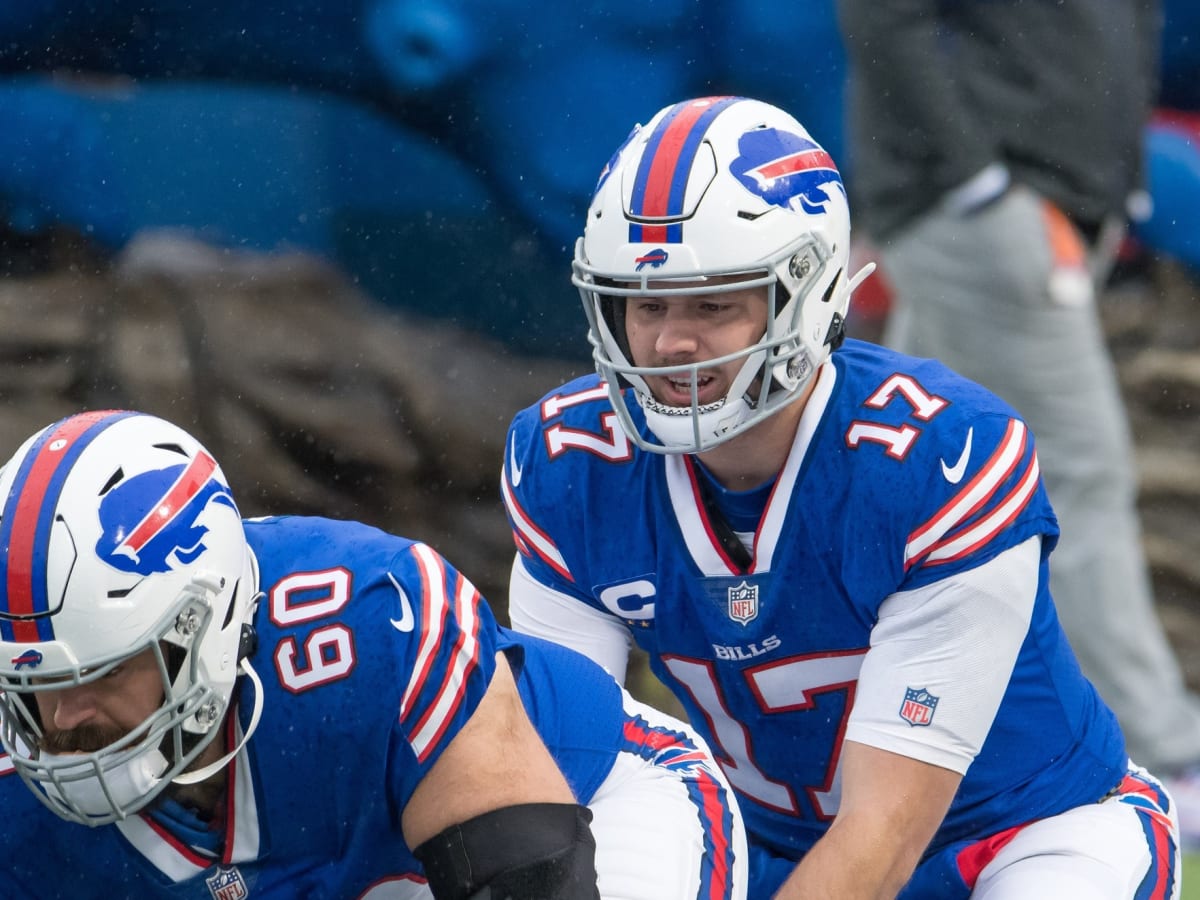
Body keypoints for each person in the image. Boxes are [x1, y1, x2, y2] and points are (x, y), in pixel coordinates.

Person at [500, 95, 1180, 899]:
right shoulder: (571, 462)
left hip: (1017, 834)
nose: (668, 342)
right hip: (757, 840)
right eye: (645, 304)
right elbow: (554, 763)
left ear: (808, 292)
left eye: (713, 304)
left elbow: (884, 829)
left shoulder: (936, 457)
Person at [0, 409, 747, 900]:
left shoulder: (367, 622)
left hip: (589, 811)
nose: (63, 718)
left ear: (207, 624)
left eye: (105, 670)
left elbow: (529, 877)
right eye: (36, 683)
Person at [835, 0, 1200, 848]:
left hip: (1045, 204)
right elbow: (884, 18)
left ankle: (869, 739)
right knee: (1082, 475)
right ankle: (1165, 756)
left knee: (903, 485)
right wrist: (978, 184)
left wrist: (1108, 177)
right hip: (986, 215)